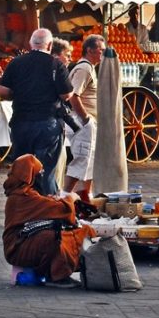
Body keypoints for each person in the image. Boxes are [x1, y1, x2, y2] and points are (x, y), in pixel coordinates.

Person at [0, 28, 74, 195]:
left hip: (21, 123)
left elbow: (2, 91)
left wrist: (17, 94)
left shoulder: (16, 62)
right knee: (45, 172)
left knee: (21, 171)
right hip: (47, 125)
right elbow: (66, 94)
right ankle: (46, 212)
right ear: (50, 45)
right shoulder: (56, 65)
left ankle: (21, 208)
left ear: (31, 44)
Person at [3, 154, 96, 288]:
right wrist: (72, 197)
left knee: (83, 231)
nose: (42, 176)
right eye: (39, 173)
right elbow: (61, 209)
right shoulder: (20, 197)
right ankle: (57, 275)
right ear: (29, 176)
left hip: (26, 241)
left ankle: (81, 271)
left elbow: (47, 206)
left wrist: (56, 200)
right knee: (54, 238)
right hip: (17, 248)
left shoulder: (28, 194)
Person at [63, 34, 105, 199]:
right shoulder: (84, 68)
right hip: (82, 122)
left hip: (87, 122)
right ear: (90, 50)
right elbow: (74, 95)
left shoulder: (89, 68)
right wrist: (86, 118)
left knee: (89, 161)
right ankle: (65, 194)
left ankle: (86, 194)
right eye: (100, 51)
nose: (102, 54)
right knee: (82, 159)